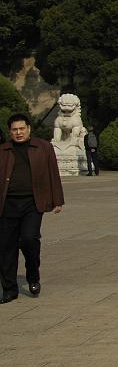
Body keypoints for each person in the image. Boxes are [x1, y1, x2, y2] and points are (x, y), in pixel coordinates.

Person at [0, 113, 64, 304]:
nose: (18, 133)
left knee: (29, 239)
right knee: (6, 247)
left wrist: (57, 200)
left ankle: (33, 274)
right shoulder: (3, 151)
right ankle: (10, 289)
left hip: (32, 203)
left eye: (21, 128)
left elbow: (53, 174)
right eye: (14, 130)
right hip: (7, 204)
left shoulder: (43, 147)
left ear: (29, 129)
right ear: (10, 132)